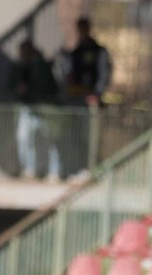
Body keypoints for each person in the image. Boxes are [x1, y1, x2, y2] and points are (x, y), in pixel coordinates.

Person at [58, 16, 111, 177]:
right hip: (76, 100)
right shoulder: (76, 52)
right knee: (74, 136)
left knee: (89, 136)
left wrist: (97, 94)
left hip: (90, 102)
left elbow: (104, 74)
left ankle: (91, 169)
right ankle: (76, 167)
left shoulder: (98, 51)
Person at [8, 39, 62, 180]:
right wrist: (19, 91)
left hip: (45, 110)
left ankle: (54, 171)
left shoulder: (41, 66)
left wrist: (31, 91)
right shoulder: (19, 67)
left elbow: (47, 86)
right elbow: (10, 85)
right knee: (24, 139)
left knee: (51, 140)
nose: (23, 55)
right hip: (27, 109)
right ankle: (29, 169)